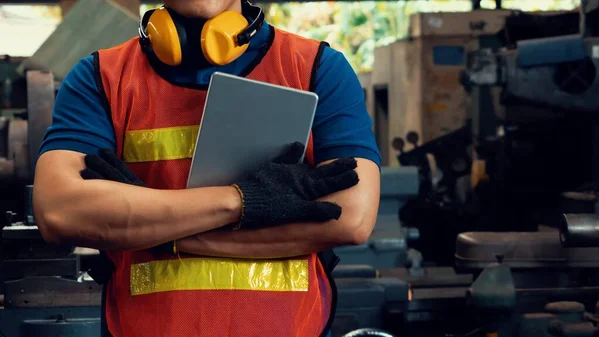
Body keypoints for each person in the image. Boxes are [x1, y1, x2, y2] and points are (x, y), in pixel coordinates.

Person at [32, 0, 381, 336]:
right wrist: (245, 201)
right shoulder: (101, 78)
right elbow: (59, 213)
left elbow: (350, 218)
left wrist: (154, 230)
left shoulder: (316, 67)